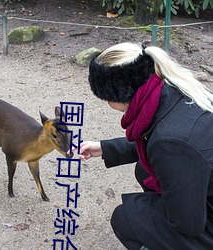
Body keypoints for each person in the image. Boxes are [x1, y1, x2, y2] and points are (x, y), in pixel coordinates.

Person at [72, 42, 213, 250]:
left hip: (203, 222)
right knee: (143, 169)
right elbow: (152, 137)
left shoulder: (170, 142)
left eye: (106, 98)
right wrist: (104, 148)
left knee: (125, 219)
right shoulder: (170, 88)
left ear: (119, 93)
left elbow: (188, 224)